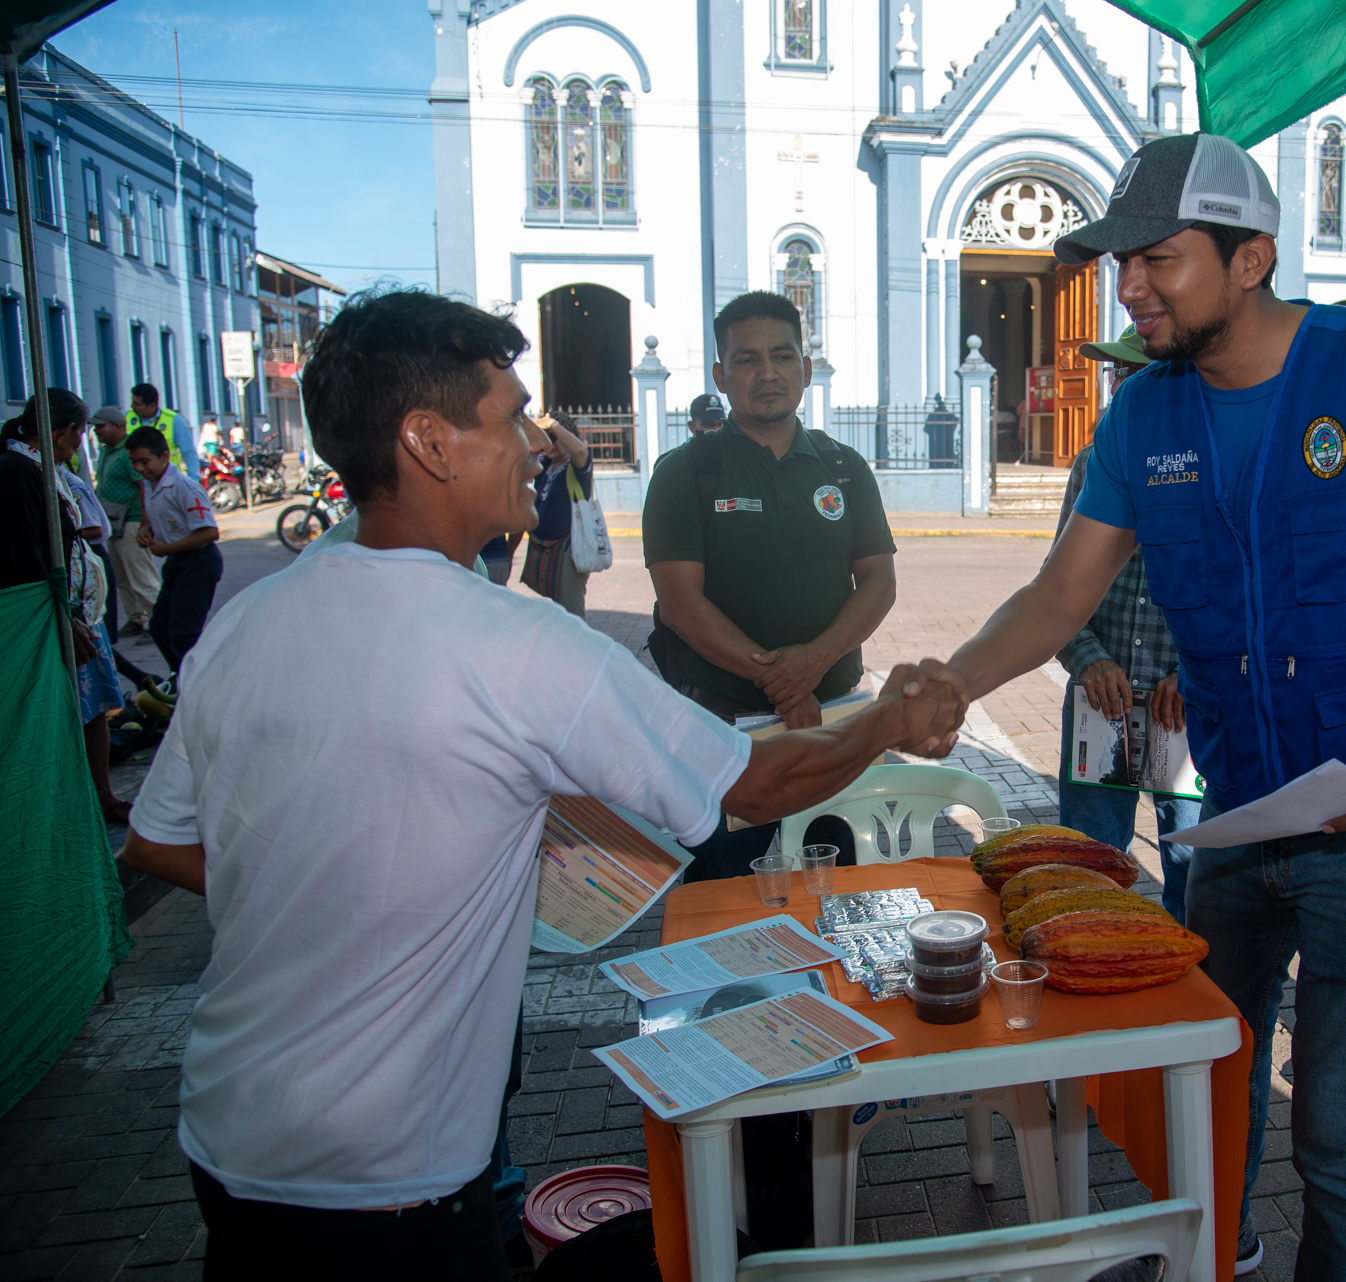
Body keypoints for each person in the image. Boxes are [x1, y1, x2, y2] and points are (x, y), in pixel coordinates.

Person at [119, 286, 961, 1281]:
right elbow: (749, 786)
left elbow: (161, 842)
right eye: (512, 416)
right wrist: (891, 724)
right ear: (430, 443)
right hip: (392, 1175)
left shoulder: (247, 623)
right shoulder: (514, 645)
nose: (539, 441)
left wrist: (318, 900)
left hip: (225, 1135)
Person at [912, 132, 1346, 1278]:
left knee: (1338, 1126)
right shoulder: (1145, 418)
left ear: (1251, 257)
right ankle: (1221, 1255)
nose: (1129, 288)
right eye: (1122, 263)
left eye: (1159, 259)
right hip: (1232, 822)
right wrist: (952, 683)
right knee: (1205, 1081)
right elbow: (1060, 594)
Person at [643, 290, 897, 731]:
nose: (767, 374)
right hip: (721, 724)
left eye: (782, 356)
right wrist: (785, 684)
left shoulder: (844, 467)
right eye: (745, 361)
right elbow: (680, 606)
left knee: (840, 806)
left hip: (836, 714)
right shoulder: (684, 472)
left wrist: (817, 658)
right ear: (720, 377)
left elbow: (878, 581)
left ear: (806, 369)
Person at [1053, 323, 1201, 922]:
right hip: (1100, 704)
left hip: (1185, 709)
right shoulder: (1093, 465)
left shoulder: (1212, 468)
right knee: (1090, 870)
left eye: (1131, 373)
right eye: (1115, 374)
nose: (1118, 387)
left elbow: (1247, 599)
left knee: (1194, 872)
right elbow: (1055, 588)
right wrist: (1088, 657)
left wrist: (1195, 672)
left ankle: (1193, 1004)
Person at [1, 391, 131, 824]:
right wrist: (58, 615)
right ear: (61, 431)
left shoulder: (47, 468)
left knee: (94, 709)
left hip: (76, 609)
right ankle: (68, 803)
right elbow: (26, 552)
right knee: (61, 712)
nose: (81, 441)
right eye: (79, 432)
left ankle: (101, 796)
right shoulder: (17, 469)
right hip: (50, 614)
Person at [128, 425, 223, 675]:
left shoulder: (185, 487)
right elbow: (151, 520)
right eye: (133, 462)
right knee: (159, 627)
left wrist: (167, 547)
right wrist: (145, 531)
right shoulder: (149, 485)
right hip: (176, 562)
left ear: (164, 456)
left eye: (144, 461)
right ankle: (182, 678)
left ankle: (202, 682)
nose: (139, 468)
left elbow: (209, 533)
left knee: (183, 633)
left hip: (199, 562)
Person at [90, 406, 162, 639]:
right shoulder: (106, 451)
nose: (96, 431)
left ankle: (157, 622)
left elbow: (144, 486)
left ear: (117, 426)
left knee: (141, 575)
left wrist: (144, 522)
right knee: (121, 578)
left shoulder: (127, 453)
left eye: (101, 426)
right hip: (112, 522)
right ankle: (136, 619)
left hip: (131, 521)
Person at [518, 410, 594, 617]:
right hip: (545, 548)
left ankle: (578, 649)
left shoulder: (577, 466)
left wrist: (553, 425)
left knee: (572, 611)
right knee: (559, 610)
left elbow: (580, 452)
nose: (550, 443)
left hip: (568, 548)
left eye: (555, 438)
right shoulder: (545, 466)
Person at [126, 381, 197, 484]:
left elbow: (189, 452)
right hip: (135, 483)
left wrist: (193, 481)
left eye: (137, 404)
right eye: (132, 402)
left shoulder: (174, 420)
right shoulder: (126, 418)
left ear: (151, 406)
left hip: (167, 482)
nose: (132, 406)